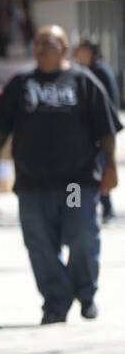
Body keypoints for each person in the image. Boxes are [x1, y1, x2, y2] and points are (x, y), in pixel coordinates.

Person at [0, 25, 119, 323]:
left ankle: (85, 292)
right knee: (40, 245)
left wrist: (110, 165)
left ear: (64, 48)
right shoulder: (21, 83)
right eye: (38, 43)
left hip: (74, 183)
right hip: (33, 183)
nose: (42, 48)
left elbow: (106, 130)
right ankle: (55, 301)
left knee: (81, 234)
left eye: (50, 43)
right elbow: (0, 126)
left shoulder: (83, 81)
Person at [74, 38, 121, 222]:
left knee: (102, 167)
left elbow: (108, 104)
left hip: (100, 132)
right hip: (88, 133)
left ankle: (106, 207)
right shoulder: (84, 71)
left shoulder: (100, 72)